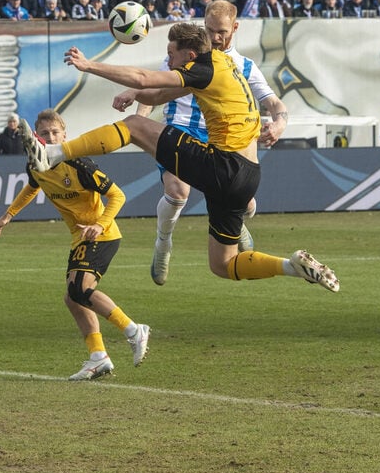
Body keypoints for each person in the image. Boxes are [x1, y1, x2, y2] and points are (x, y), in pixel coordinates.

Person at [19, 23, 340, 293]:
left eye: (171, 55)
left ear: (188, 55)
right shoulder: (224, 65)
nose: (168, 60)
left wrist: (90, 66)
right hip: (247, 175)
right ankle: (292, 266)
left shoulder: (204, 69)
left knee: (133, 127)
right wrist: (135, 93)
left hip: (223, 165)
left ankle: (54, 152)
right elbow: (157, 93)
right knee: (223, 265)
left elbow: (146, 80)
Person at [121, 1, 290, 285]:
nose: (214, 38)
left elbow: (273, 102)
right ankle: (163, 243)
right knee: (177, 193)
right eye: (209, 30)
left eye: (221, 31)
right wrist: (143, 126)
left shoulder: (244, 66)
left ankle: (235, 225)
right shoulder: (188, 55)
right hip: (181, 128)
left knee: (248, 205)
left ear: (235, 28)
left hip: (222, 143)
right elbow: (154, 89)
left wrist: (279, 123)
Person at [0, 109, 150, 380]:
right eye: (45, 134)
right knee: (73, 298)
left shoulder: (79, 165)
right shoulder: (36, 164)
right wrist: (8, 215)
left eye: (55, 133)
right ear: (36, 138)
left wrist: (99, 224)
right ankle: (99, 357)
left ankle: (133, 330)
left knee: (79, 289)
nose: (50, 138)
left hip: (102, 234)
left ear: (65, 136)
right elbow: (32, 186)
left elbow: (117, 195)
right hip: (80, 237)